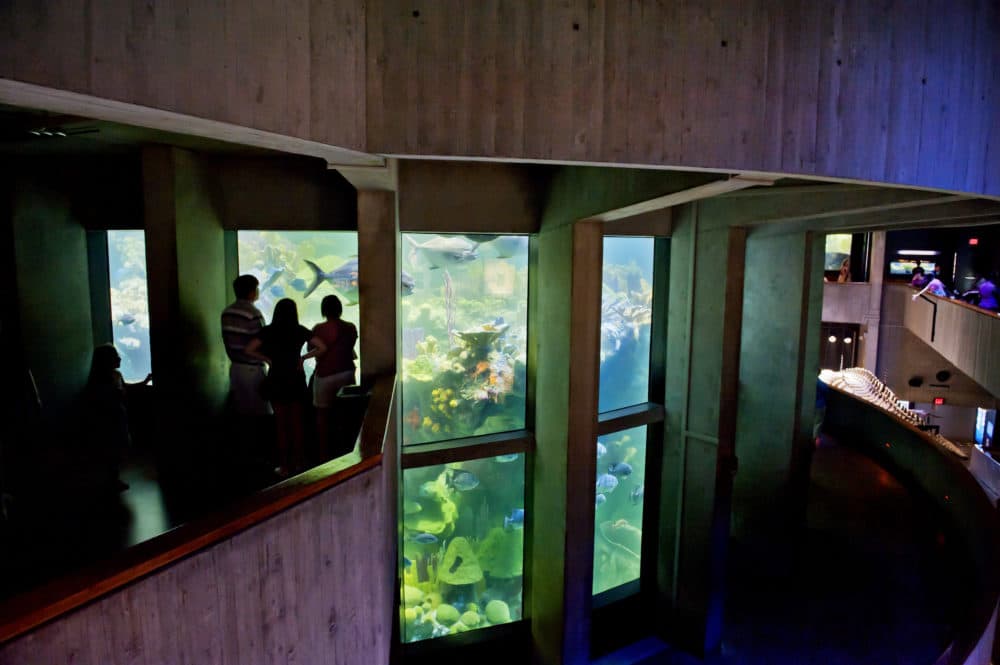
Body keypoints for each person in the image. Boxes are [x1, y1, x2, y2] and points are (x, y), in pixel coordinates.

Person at [245, 299, 326, 478]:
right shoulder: (299, 330)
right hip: (295, 378)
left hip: (276, 378)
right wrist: (304, 357)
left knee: (281, 424)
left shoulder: (268, 331)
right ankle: (299, 463)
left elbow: (249, 349)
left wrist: (267, 359)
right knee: (297, 423)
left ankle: (284, 466)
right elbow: (322, 347)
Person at [84, 344, 152, 492]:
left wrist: (145, 382)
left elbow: (126, 388)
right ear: (106, 360)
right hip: (108, 421)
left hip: (119, 417)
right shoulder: (101, 381)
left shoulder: (116, 375)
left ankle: (111, 479)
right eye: (115, 355)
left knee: (118, 449)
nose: (119, 358)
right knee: (111, 450)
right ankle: (111, 480)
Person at [310, 295, 359, 461]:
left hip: (324, 375)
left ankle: (323, 454)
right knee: (345, 413)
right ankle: (346, 450)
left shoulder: (318, 328)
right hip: (346, 373)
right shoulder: (351, 327)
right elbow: (350, 347)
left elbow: (313, 349)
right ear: (340, 308)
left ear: (324, 310)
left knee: (322, 414)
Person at [221, 275, 269, 417]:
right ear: (251, 292)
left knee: (241, 411)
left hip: (235, 367)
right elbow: (262, 341)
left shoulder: (227, 312)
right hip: (252, 369)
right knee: (259, 411)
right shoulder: (253, 314)